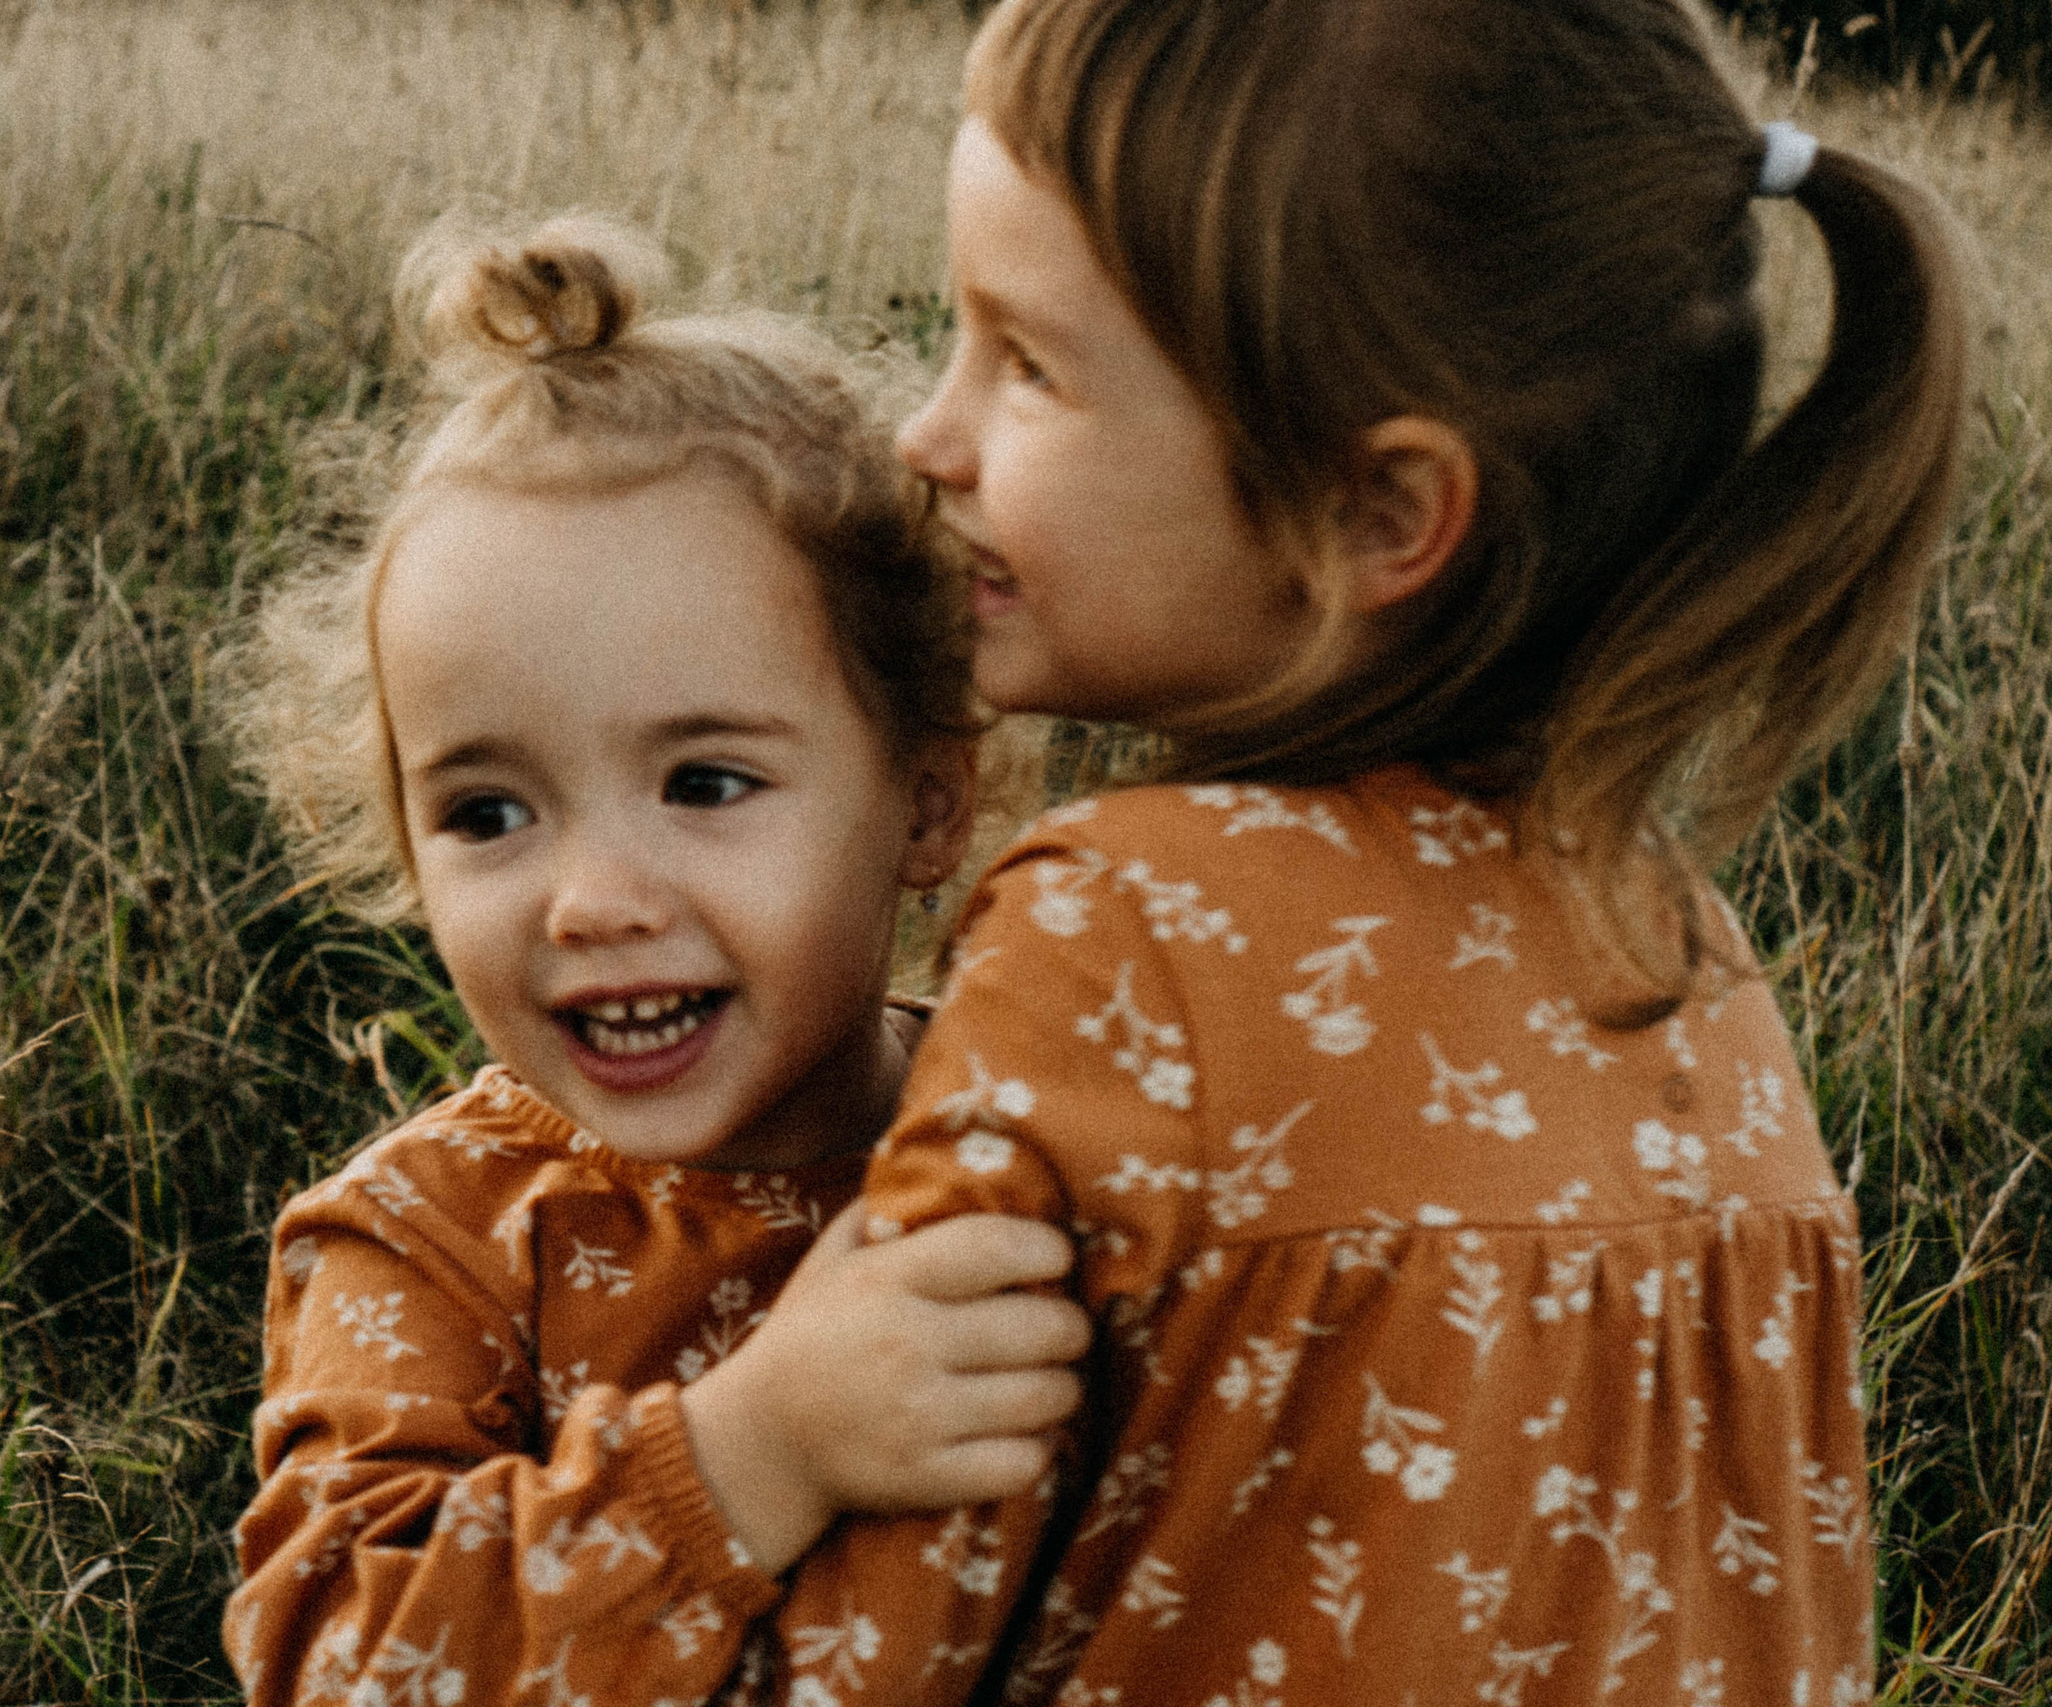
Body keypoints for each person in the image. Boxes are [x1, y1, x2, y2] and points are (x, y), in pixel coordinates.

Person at [729, 1, 1967, 1702]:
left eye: (1025, 364)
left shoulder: (1127, 934)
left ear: (1379, 516)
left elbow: (855, 1665)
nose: (926, 440)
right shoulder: (1690, 969)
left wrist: (670, 1477)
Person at [216, 218, 1093, 1707]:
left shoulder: (1039, 1141)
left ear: (927, 801)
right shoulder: (430, 1244)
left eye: (703, 785)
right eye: (488, 812)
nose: (591, 902)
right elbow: (339, 1660)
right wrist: (751, 1455)